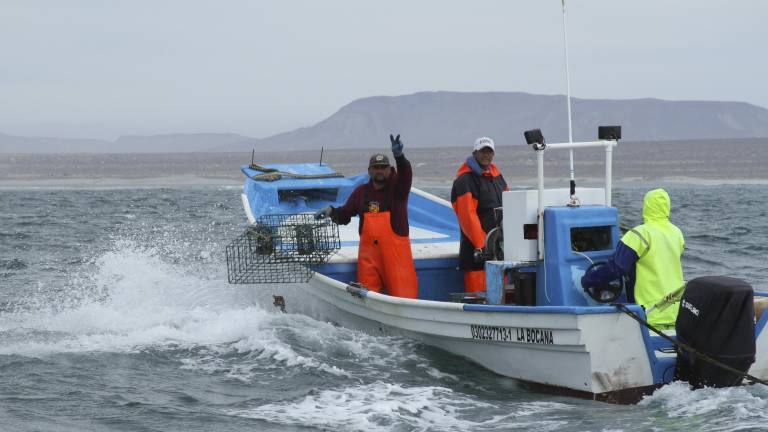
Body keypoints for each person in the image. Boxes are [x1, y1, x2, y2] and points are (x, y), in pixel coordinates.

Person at [314, 134, 418, 298]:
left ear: (390, 170)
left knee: (404, 297)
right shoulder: (361, 192)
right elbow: (345, 214)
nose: (379, 171)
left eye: (383, 167)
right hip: (369, 259)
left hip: (396, 257)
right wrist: (331, 211)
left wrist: (399, 156)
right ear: (369, 171)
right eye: (376, 167)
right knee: (368, 297)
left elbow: (406, 174)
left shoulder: (398, 189)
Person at [581, 188, 685, 329]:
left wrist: (589, 280)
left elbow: (616, 268)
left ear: (646, 206)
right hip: (675, 312)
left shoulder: (639, 234)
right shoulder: (676, 233)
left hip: (650, 313)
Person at [450, 137, 508, 292]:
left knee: (501, 294)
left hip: (498, 247)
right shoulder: (465, 180)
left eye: (489, 151)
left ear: (493, 154)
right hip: (477, 251)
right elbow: (467, 215)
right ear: (474, 153)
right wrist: (482, 246)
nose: (486, 155)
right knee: (479, 296)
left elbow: (510, 206)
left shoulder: (498, 178)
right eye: (482, 151)